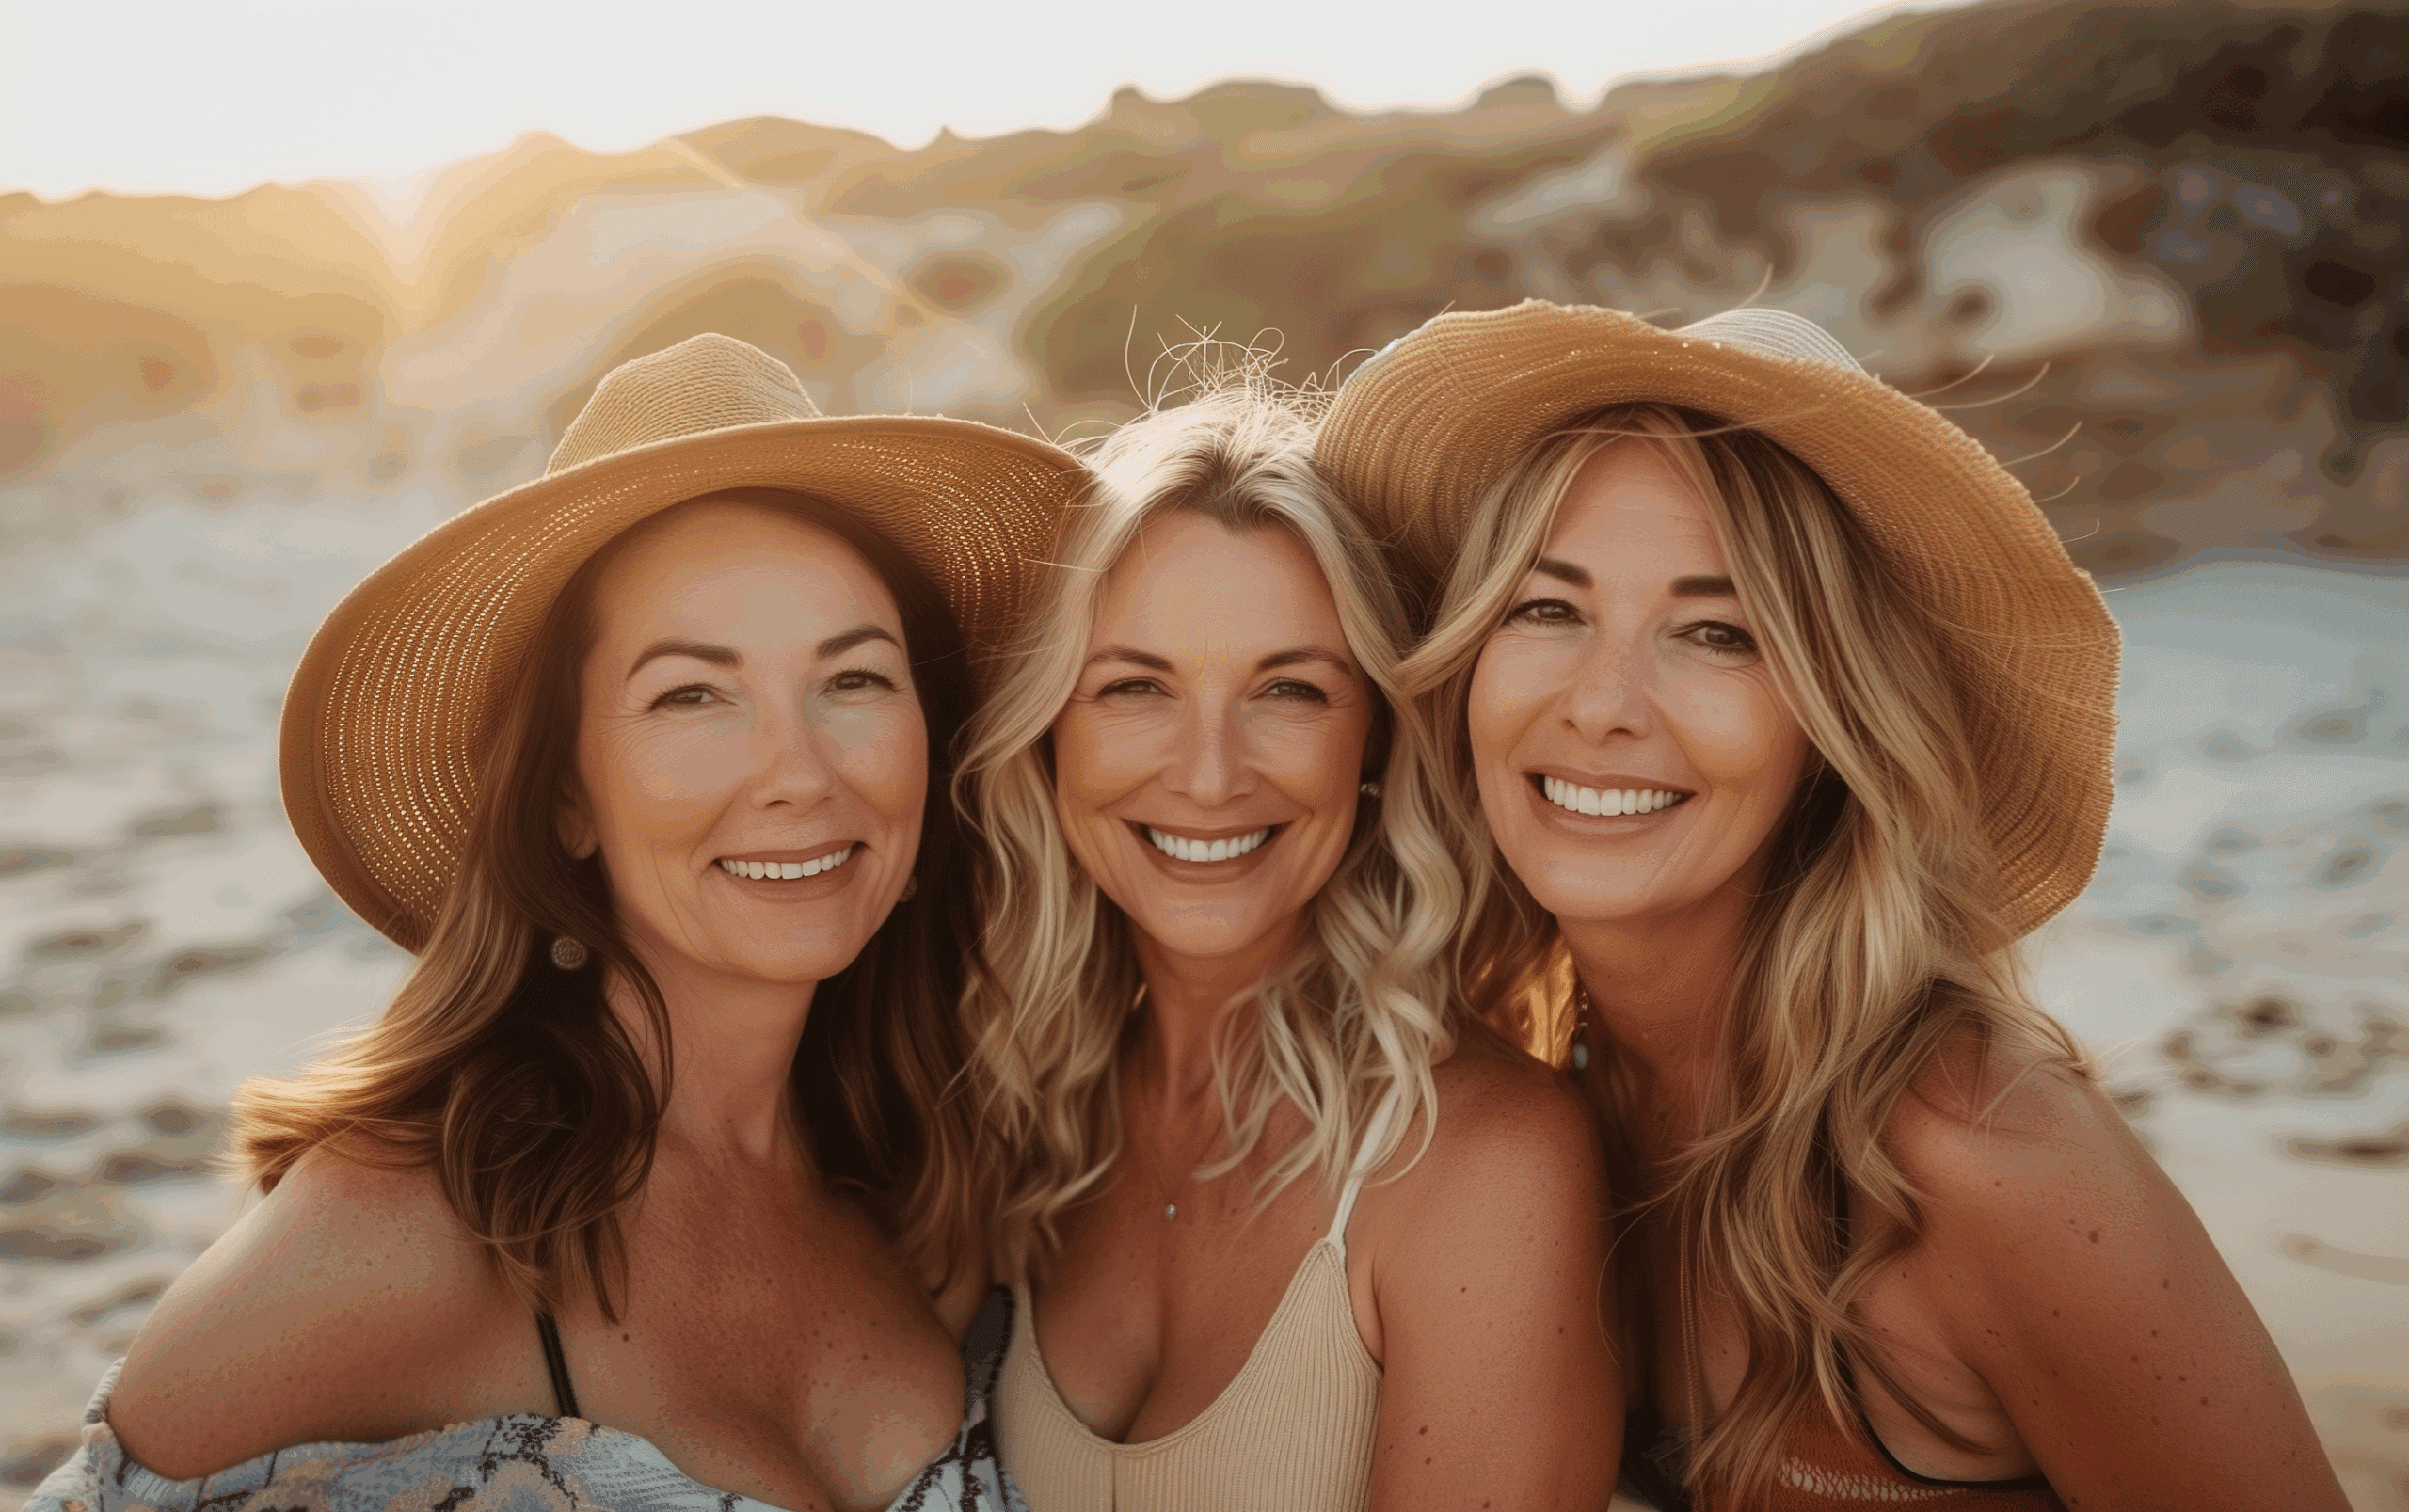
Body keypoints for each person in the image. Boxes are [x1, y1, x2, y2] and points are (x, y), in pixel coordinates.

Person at [1317, 302, 2351, 1511]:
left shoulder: (1986, 1156)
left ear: (1832, 720)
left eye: (1715, 631)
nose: (1602, 704)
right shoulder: (1527, 1082)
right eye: (1546, 608)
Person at [31, 334, 1087, 1512]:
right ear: (566, 795)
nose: (801, 772)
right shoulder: (408, 1223)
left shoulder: (922, 1173)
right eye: (692, 693)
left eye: (854, 679)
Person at [943, 357, 1619, 1512]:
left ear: (1372, 744)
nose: (1209, 774)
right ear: (1048, 733)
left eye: (1289, 690)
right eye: (1133, 688)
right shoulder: (1018, 1126)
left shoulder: (1482, 1161)